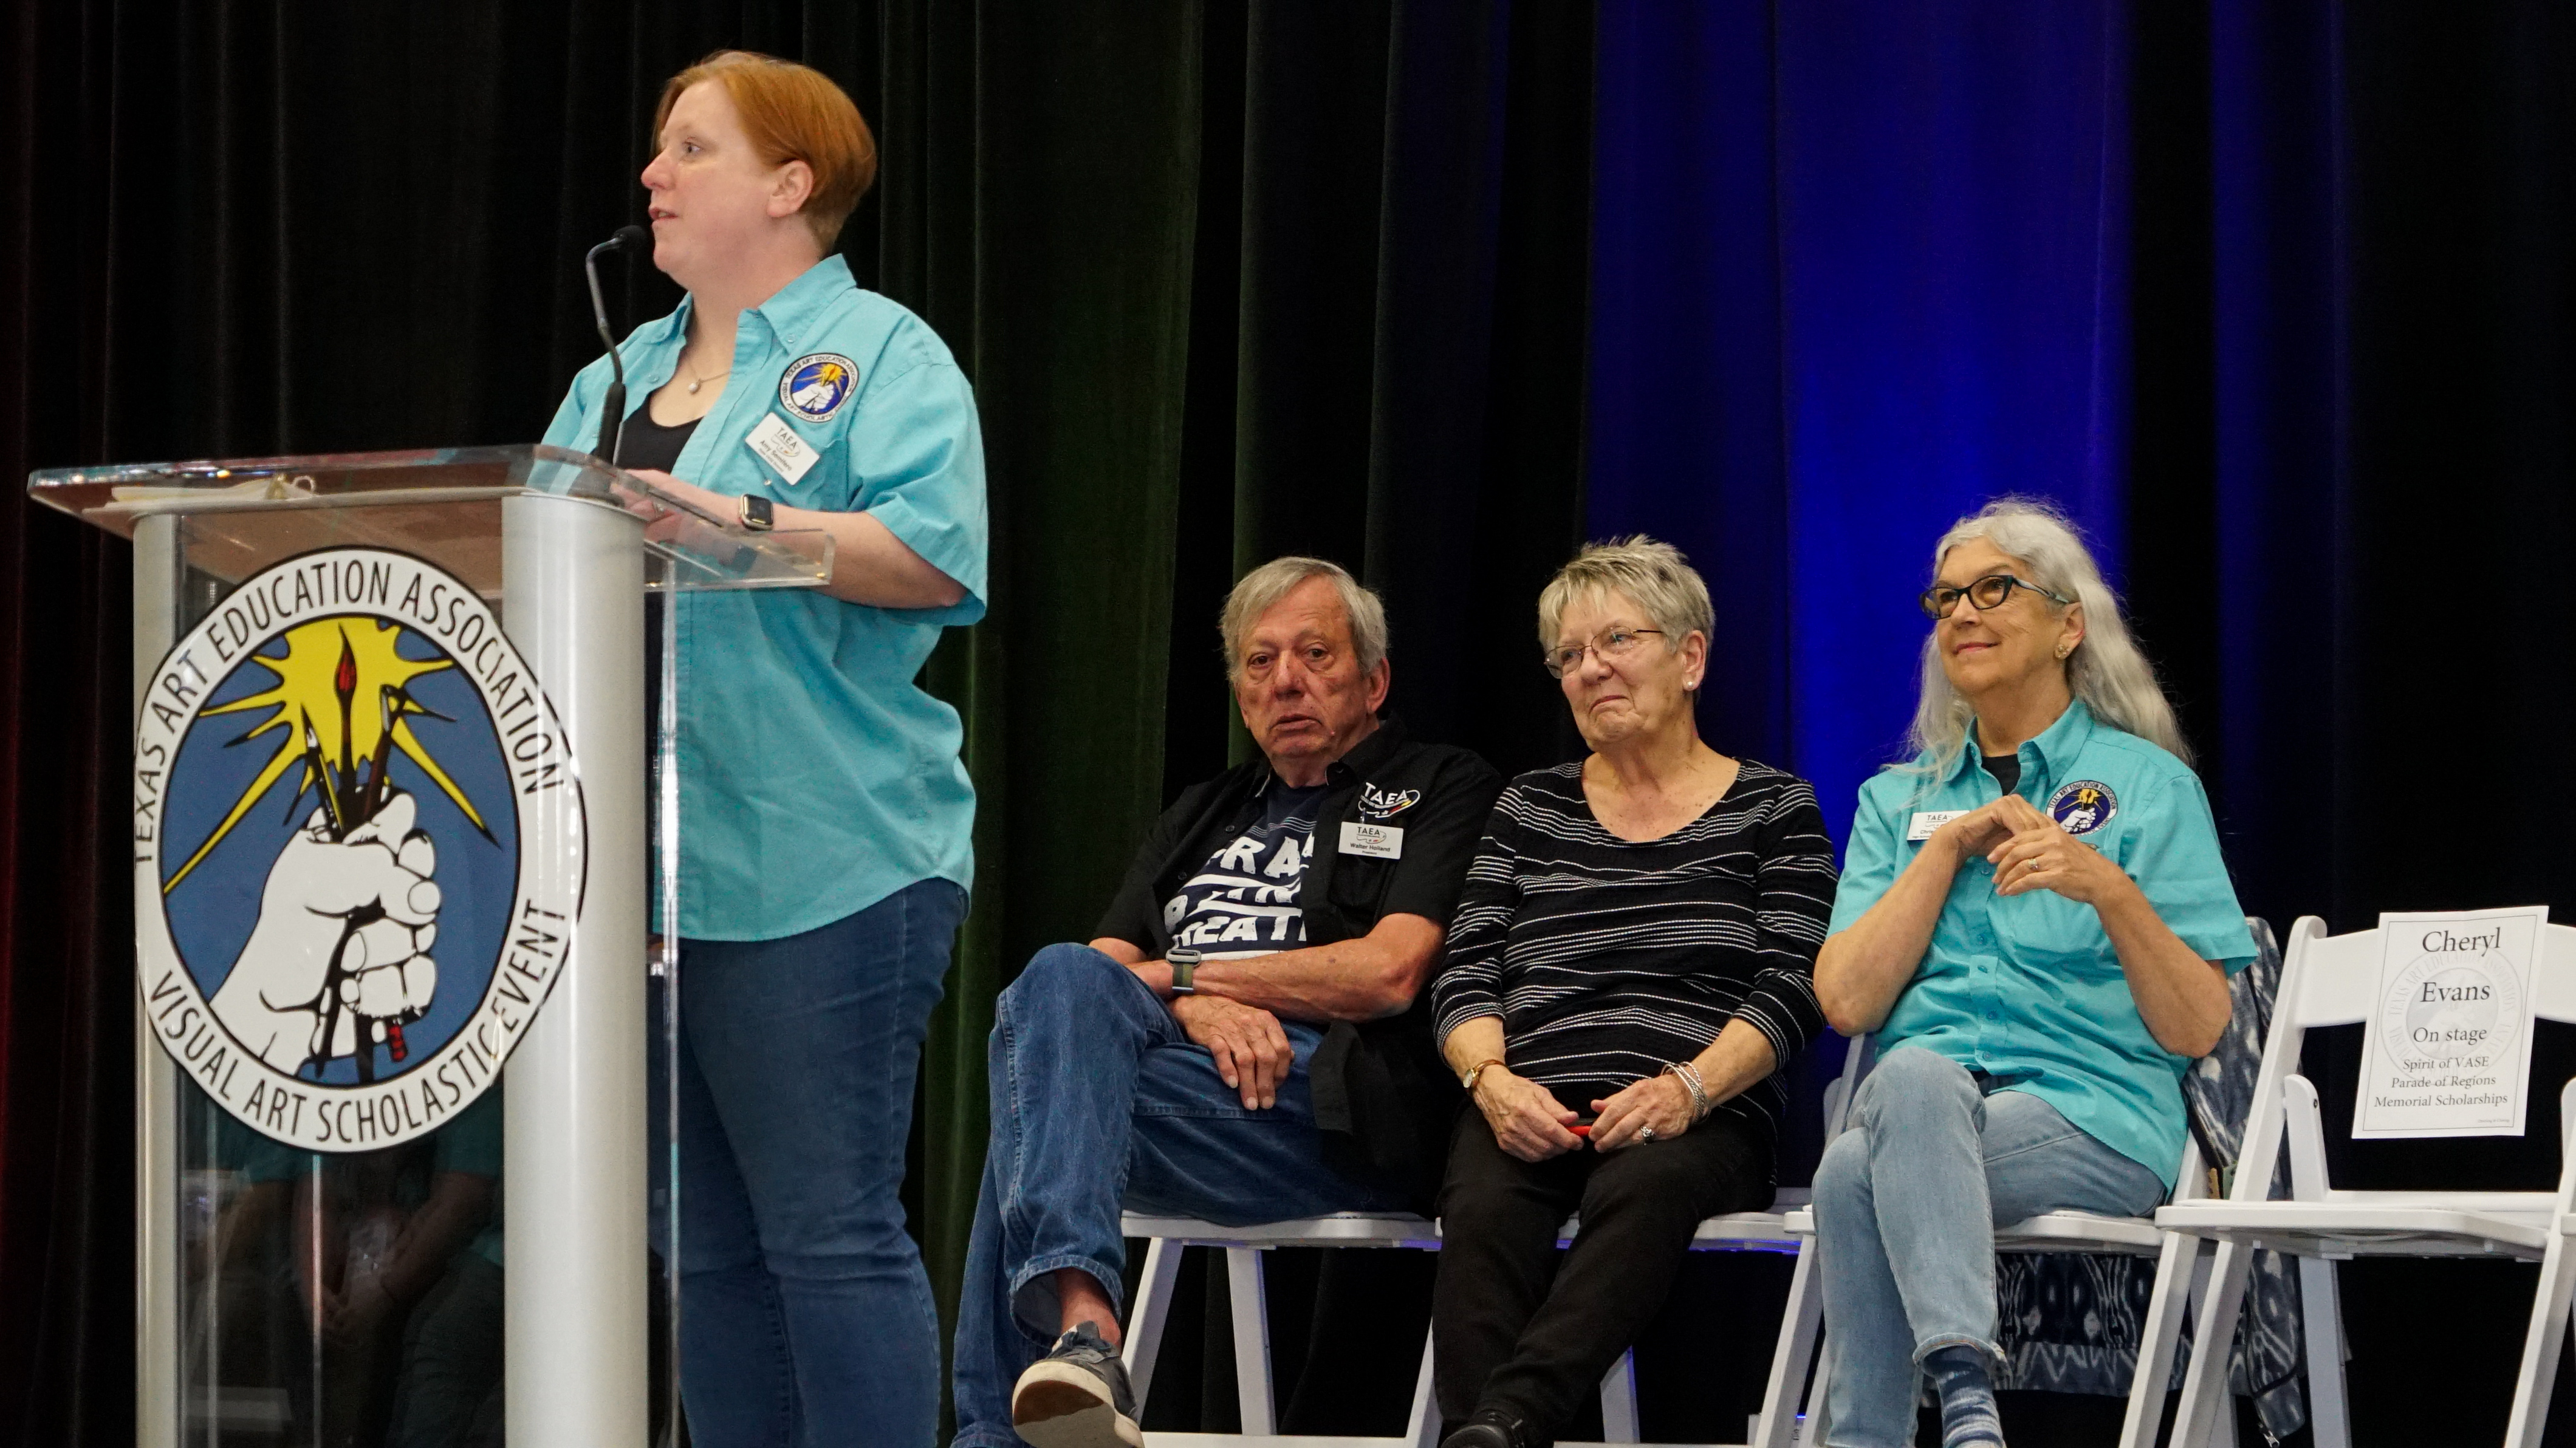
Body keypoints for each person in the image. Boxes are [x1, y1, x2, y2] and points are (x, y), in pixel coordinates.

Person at [540, 50, 987, 1448]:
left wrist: (729, 519)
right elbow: (520, 564)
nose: (652, 174)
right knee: (705, 1250)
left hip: (823, 861)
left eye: (691, 148)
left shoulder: (887, 356)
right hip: (632, 885)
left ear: (791, 184)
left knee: (826, 1235)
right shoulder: (609, 381)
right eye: (658, 147)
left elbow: (933, 555)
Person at [950, 557, 1504, 1448]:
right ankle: (1085, 1332)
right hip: (1183, 1087)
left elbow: (1387, 974)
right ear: (1243, 697)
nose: (1286, 680)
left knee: (1035, 1098)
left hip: (1326, 1103)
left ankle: (1014, 1416)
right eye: (1260, 661)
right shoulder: (1205, 809)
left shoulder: (1441, 785)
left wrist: (1187, 977)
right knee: (1050, 1018)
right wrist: (1194, 1009)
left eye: (1315, 655)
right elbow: (1089, 981)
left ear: (1374, 681)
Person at [1812, 499, 2252, 1448]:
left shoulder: (2150, 786)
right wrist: (1942, 853)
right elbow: (1846, 1002)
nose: (1962, 613)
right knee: (1901, 1095)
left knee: (1857, 1162)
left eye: (1994, 590)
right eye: (1946, 598)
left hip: (2094, 1116)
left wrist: (2110, 891)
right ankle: (1969, 1405)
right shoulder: (1898, 803)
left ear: (2068, 625)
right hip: (1919, 1111)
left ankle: (1913, 1418)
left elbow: (2198, 1026)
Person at [1427, 537, 1837, 1448]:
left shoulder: (1773, 808)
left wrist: (1688, 1089)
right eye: (1570, 655)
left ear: (1690, 658)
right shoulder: (1529, 806)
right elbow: (1465, 969)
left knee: (1645, 1190)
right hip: (1528, 1097)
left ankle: (1502, 1424)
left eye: (1616, 640)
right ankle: (1492, 1428)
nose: (1590, 669)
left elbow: (1796, 983)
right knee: (1485, 1205)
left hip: (1702, 1111)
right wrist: (1492, 1083)